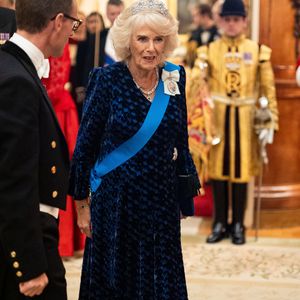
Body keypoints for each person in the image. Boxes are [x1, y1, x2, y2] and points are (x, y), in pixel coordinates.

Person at [69, 0, 200, 298]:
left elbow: (181, 139)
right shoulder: (107, 80)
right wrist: (81, 205)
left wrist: (184, 198)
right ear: (128, 40)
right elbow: (85, 145)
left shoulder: (174, 77)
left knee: (160, 284)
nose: (150, 48)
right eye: (142, 38)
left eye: (158, 39)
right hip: (116, 205)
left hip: (161, 203)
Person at [0, 0, 80, 298]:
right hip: (23, 241)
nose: (73, 32)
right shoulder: (17, 81)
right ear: (58, 21)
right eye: (74, 24)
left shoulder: (13, 65)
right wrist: (29, 266)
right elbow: (13, 182)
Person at [190, 0, 278, 245]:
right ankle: (219, 223)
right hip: (217, 121)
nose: (231, 24)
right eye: (227, 20)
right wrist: (198, 74)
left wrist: (270, 120)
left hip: (246, 121)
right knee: (218, 172)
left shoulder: (258, 50)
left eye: (236, 20)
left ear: (244, 22)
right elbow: (197, 80)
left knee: (241, 171)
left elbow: (267, 89)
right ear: (220, 21)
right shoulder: (209, 50)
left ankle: (238, 223)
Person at [42, 44, 85, 258]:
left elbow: (58, 81)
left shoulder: (57, 40)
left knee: (60, 171)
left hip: (56, 110)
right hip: (40, 106)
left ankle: (65, 243)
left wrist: (36, 102)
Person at [104, 0, 124, 65]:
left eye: (119, 13)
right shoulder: (99, 36)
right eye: (112, 14)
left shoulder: (133, 34)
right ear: (107, 15)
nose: (116, 17)